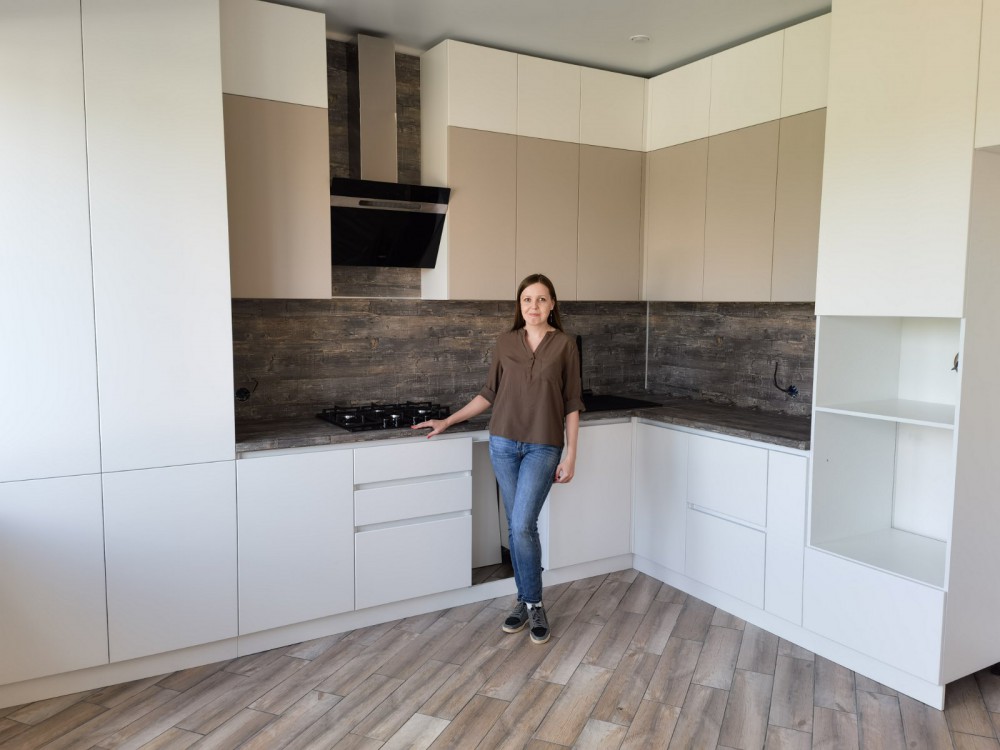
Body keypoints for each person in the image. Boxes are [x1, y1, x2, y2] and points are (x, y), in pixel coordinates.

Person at [412, 273, 584, 644]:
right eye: (527, 300)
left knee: (522, 524)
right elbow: (489, 393)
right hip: (503, 442)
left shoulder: (566, 345)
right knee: (517, 525)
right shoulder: (505, 342)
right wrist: (448, 421)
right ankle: (526, 600)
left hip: (543, 446)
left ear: (552, 304)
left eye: (541, 299)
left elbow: (572, 402)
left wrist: (571, 454)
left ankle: (532, 602)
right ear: (519, 305)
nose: (534, 306)